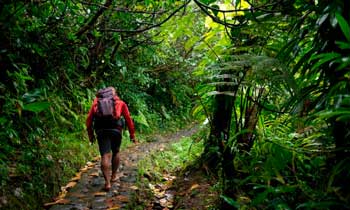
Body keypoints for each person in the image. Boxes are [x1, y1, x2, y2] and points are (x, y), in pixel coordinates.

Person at [86, 87, 137, 191]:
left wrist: (91, 135)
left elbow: (89, 120)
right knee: (116, 152)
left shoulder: (96, 103)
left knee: (105, 155)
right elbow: (128, 119)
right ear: (114, 94)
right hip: (116, 130)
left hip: (101, 130)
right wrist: (132, 135)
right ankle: (113, 176)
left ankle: (107, 183)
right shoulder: (120, 103)